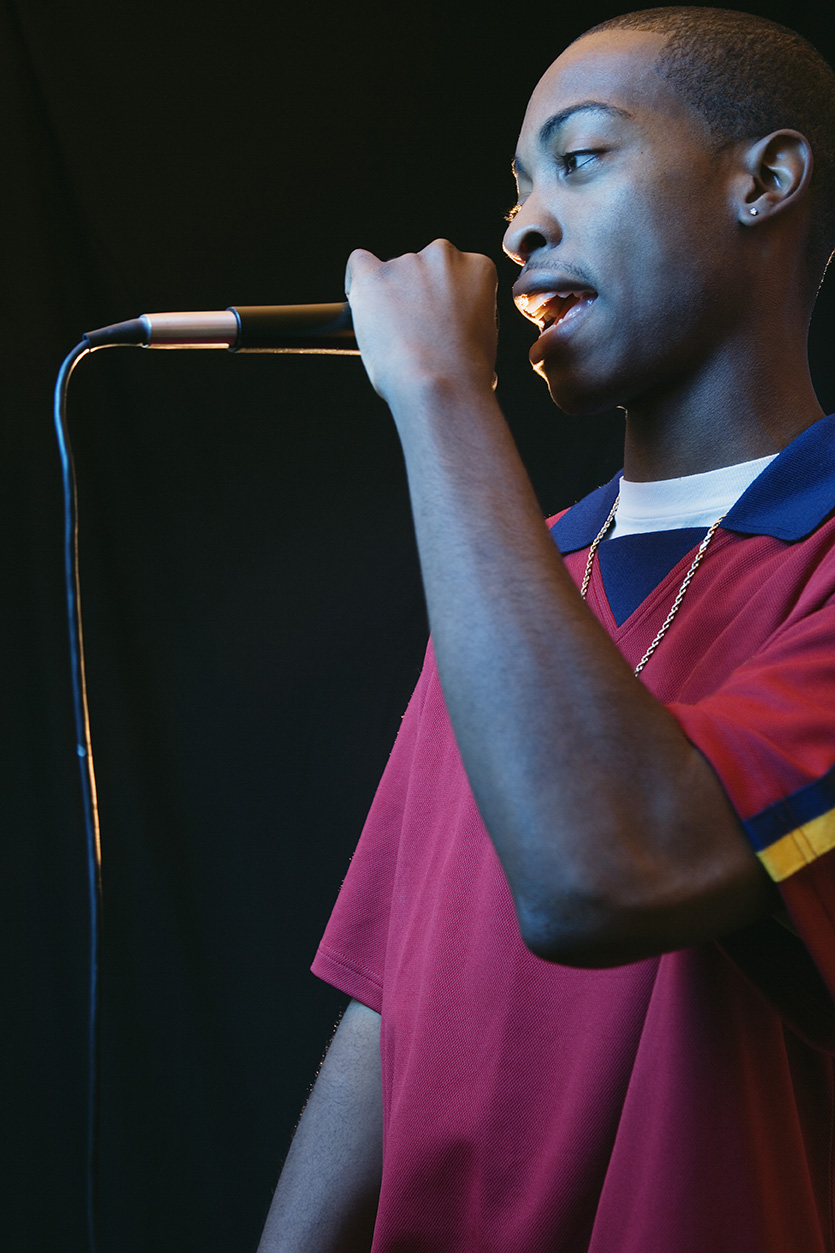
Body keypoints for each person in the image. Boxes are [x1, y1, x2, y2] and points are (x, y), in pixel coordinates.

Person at [258, 8, 835, 1250]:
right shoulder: (527, 563)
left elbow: (601, 876)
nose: (518, 227)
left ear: (767, 180)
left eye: (580, 160)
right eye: (516, 189)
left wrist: (442, 396)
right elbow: (385, 999)